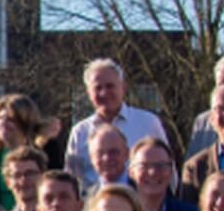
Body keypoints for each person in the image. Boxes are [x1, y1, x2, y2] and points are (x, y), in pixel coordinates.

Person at [65, 59, 168, 188]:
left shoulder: (148, 123)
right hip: (94, 199)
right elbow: (71, 182)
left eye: (110, 86)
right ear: (89, 93)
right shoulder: (80, 132)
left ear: (123, 88)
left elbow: (168, 172)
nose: (104, 93)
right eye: (98, 88)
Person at [0, 93, 63, 209]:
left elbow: (56, 187)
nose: (3, 123)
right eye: (0, 118)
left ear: (25, 122)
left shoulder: (45, 153)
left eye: (10, 119)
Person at [129, 137, 198, 211]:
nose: (152, 172)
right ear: (131, 172)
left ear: (171, 171)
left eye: (160, 166)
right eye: (144, 166)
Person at [2, 145, 48, 211]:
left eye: (30, 173)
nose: (23, 180)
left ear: (43, 177)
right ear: (7, 183)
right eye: (17, 175)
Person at [82, 124, 132, 193]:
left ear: (126, 154)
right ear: (91, 158)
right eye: (100, 153)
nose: (106, 158)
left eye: (113, 152)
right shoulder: (87, 197)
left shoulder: (142, 192)